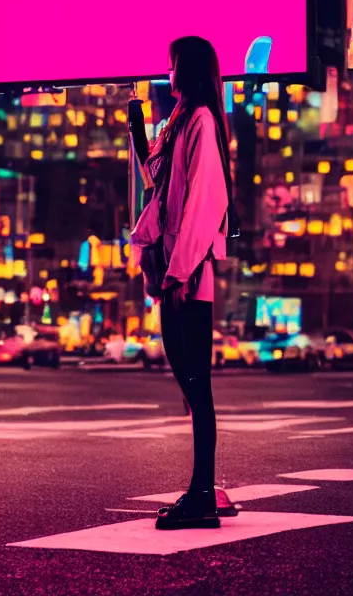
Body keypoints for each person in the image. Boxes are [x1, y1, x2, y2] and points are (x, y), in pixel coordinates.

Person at [131, 36, 234, 530]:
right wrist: (136, 128)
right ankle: (201, 492)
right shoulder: (178, 123)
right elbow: (157, 181)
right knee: (190, 385)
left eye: (172, 66)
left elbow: (203, 203)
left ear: (188, 71)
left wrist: (180, 272)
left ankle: (202, 496)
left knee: (199, 386)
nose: (166, 74)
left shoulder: (202, 122)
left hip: (188, 277)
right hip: (175, 273)